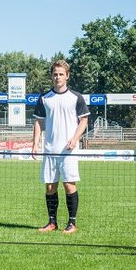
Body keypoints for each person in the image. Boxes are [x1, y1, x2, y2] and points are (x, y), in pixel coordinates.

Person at [31, 60, 89, 235]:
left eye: (61, 74)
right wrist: (35, 143)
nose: (58, 77)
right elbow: (38, 122)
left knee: (69, 185)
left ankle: (72, 223)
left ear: (67, 76)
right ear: (52, 76)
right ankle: (52, 222)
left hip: (68, 150)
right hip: (50, 149)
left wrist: (75, 138)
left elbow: (84, 120)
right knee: (50, 187)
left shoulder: (76, 97)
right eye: (55, 74)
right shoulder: (44, 98)